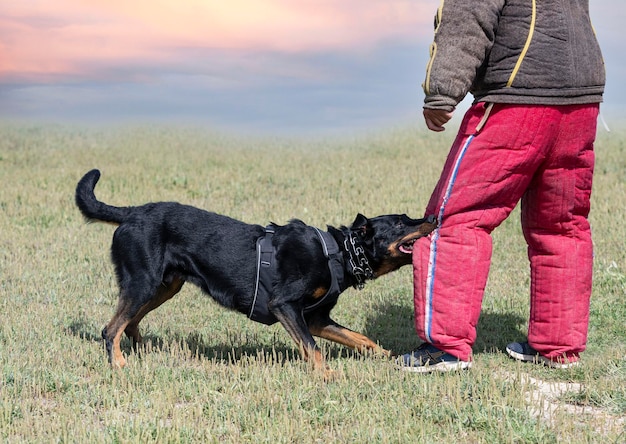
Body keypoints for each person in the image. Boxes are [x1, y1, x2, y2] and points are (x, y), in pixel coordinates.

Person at [398, 0, 605, 373]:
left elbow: (467, 15)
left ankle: (445, 347)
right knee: (562, 225)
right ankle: (558, 345)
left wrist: (442, 91)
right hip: (581, 99)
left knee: (457, 217)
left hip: (517, 97)